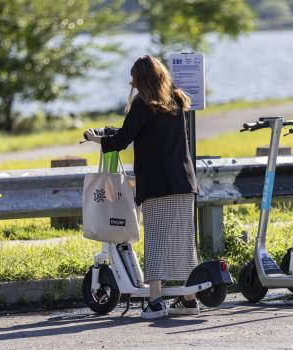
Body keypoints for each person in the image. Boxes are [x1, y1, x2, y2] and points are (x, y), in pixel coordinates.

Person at [84, 55, 199, 319]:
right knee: (183, 242)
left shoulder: (142, 104)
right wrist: (115, 130)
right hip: (183, 181)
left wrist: (95, 138)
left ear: (142, 79)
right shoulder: (177, 100)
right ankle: (190, 300)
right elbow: (139, 130)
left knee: (157, 240)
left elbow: (125, 138)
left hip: (158, 184)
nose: (130, 82)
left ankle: (156, 301)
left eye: (134, 78)